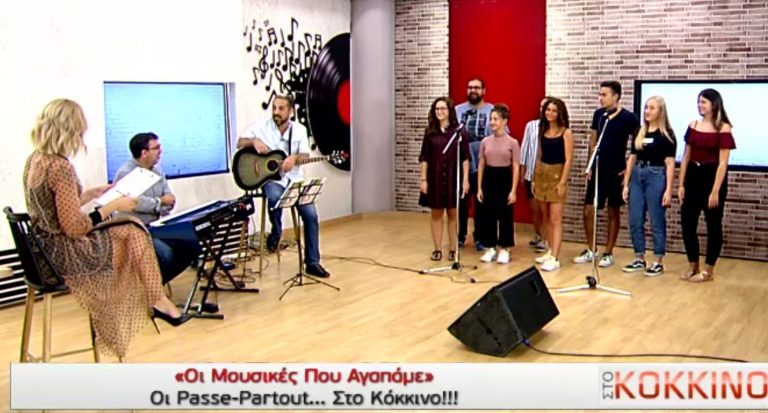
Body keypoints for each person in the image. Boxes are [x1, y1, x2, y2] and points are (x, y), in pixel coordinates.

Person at [23, 99, 187, 358]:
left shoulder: (35, 160)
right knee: (132, 228)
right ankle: (149, 299)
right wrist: (113, 206)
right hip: (60, 255)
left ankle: (150, 298)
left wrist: (90, 194)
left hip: (40, 252)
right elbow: (75, 227)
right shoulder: (60, 167)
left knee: (130, 229)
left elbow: (54, 210)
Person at [237, 94, 331, 278]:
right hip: (273, 181)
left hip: (295, 180)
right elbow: (240, 143)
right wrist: (254, 142)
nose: (276, 112)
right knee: (274, 197)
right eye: (274, 108)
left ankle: (313, 262)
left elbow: (304, 155)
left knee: (311, 215)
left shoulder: (299, 130)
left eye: (281, 108)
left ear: (291, 111)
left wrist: (294, 158)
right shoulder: (262, 127)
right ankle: (276, 232)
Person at [114, 132, 196, 284]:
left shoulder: (157, 171)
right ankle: (151, 288)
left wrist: (166, 204)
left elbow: (168, 196)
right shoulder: (126, 173)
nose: (160, 151)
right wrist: (160, 202)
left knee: (190, 247)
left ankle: (155, 285)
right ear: (144, 152)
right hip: (136, 230)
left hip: (156, 226)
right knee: (167, 255)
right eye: (156, 148)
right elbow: (135, 203)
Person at [574, 81, 640, 267]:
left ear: (616, 96)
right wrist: (589, 165)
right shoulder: (599, 115)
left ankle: (608, 252)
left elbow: (638, 142)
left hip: (616, 170)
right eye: (600, 94)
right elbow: (593, 140)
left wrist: (628, 166)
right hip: (598, 168)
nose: (601, 98)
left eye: (604, 95)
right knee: (588, 209)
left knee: (613, 210)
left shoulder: (628, 118)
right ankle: (591, 249)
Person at [678, 89, 735, 283]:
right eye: (699, 102)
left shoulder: (724, 128)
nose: (700, 105)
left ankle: (709, 270)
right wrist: (681, 184)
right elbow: (686, 157)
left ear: (714, 104)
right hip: (693, 176)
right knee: (687, 222)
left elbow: (723, 163)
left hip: (712, 178)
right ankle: (693, 265)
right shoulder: (693, 125)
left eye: (703, 102)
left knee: (713, 225)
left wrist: (715, 191)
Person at [621, 96, 676, 276]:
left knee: (656, 220)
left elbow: (670, 163)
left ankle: (658, 260)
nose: (647, 111)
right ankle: (639, 257)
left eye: (652, 108)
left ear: (660, 111)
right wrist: (626, 184)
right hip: (638, 175)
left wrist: (669, 189)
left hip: (656, 175)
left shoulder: (667, 134)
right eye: (646, 107)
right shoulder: (640, 131)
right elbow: (632, 158)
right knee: (635, 219)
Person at [419, 97, 470, 261]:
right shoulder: (430, 132)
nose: (439, 112)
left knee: (453, 214)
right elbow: (424, 157)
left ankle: (453, 249)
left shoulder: (459, 132)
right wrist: (423, 179)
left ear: (450, 111)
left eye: (442, 108)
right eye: (437, 109)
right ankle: (437, 249)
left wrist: (465, 180)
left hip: (453, 177)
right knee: (436, 214)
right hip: (434, 177)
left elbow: (465, 157)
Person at [532, 97, 574, 272]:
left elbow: (568, 159)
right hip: (542, 173)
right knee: (546, 216)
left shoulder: (566, 132)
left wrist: (563, 181)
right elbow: (539, 155)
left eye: (554, 110)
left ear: (560, 113)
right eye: (548, 110)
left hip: (557, 175)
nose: (550, 113)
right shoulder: (542, 130)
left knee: (556, 218)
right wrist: (534, 178)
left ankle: (555, 258)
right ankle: (550, 250)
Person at [476, 104, 520, 264]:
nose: (492, 122)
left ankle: (505, 248)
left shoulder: (513, 142)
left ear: (504, 121)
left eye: (495, 119)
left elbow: (516, 166)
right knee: (488, 213)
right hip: (489, 177)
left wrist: (513, 190)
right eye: (491, 119)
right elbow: (481, 164)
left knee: (505, 214)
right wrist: (479, 187)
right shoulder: (485, 141)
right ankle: (490, 247)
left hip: (504, 178)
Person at [455, 78, 494, 250]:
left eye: (477, 87)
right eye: (470, 87)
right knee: (461, 204)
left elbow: (500, 135)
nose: (473, 90)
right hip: (462, 166)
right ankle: (460, 236)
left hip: (484, 167)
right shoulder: (457, 110)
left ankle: (480, 238)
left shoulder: (492, 110)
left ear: (484, 91)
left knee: (482, 205)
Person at [520, 97, 552, 252]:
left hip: (547, 176)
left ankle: (547, 239)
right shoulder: (531, 126)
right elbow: (524, 148)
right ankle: (538, 235)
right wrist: (522, 172)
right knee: (534, 209)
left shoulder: (556, 129)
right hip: (530, 174)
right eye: (542, 107)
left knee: (545, 209)